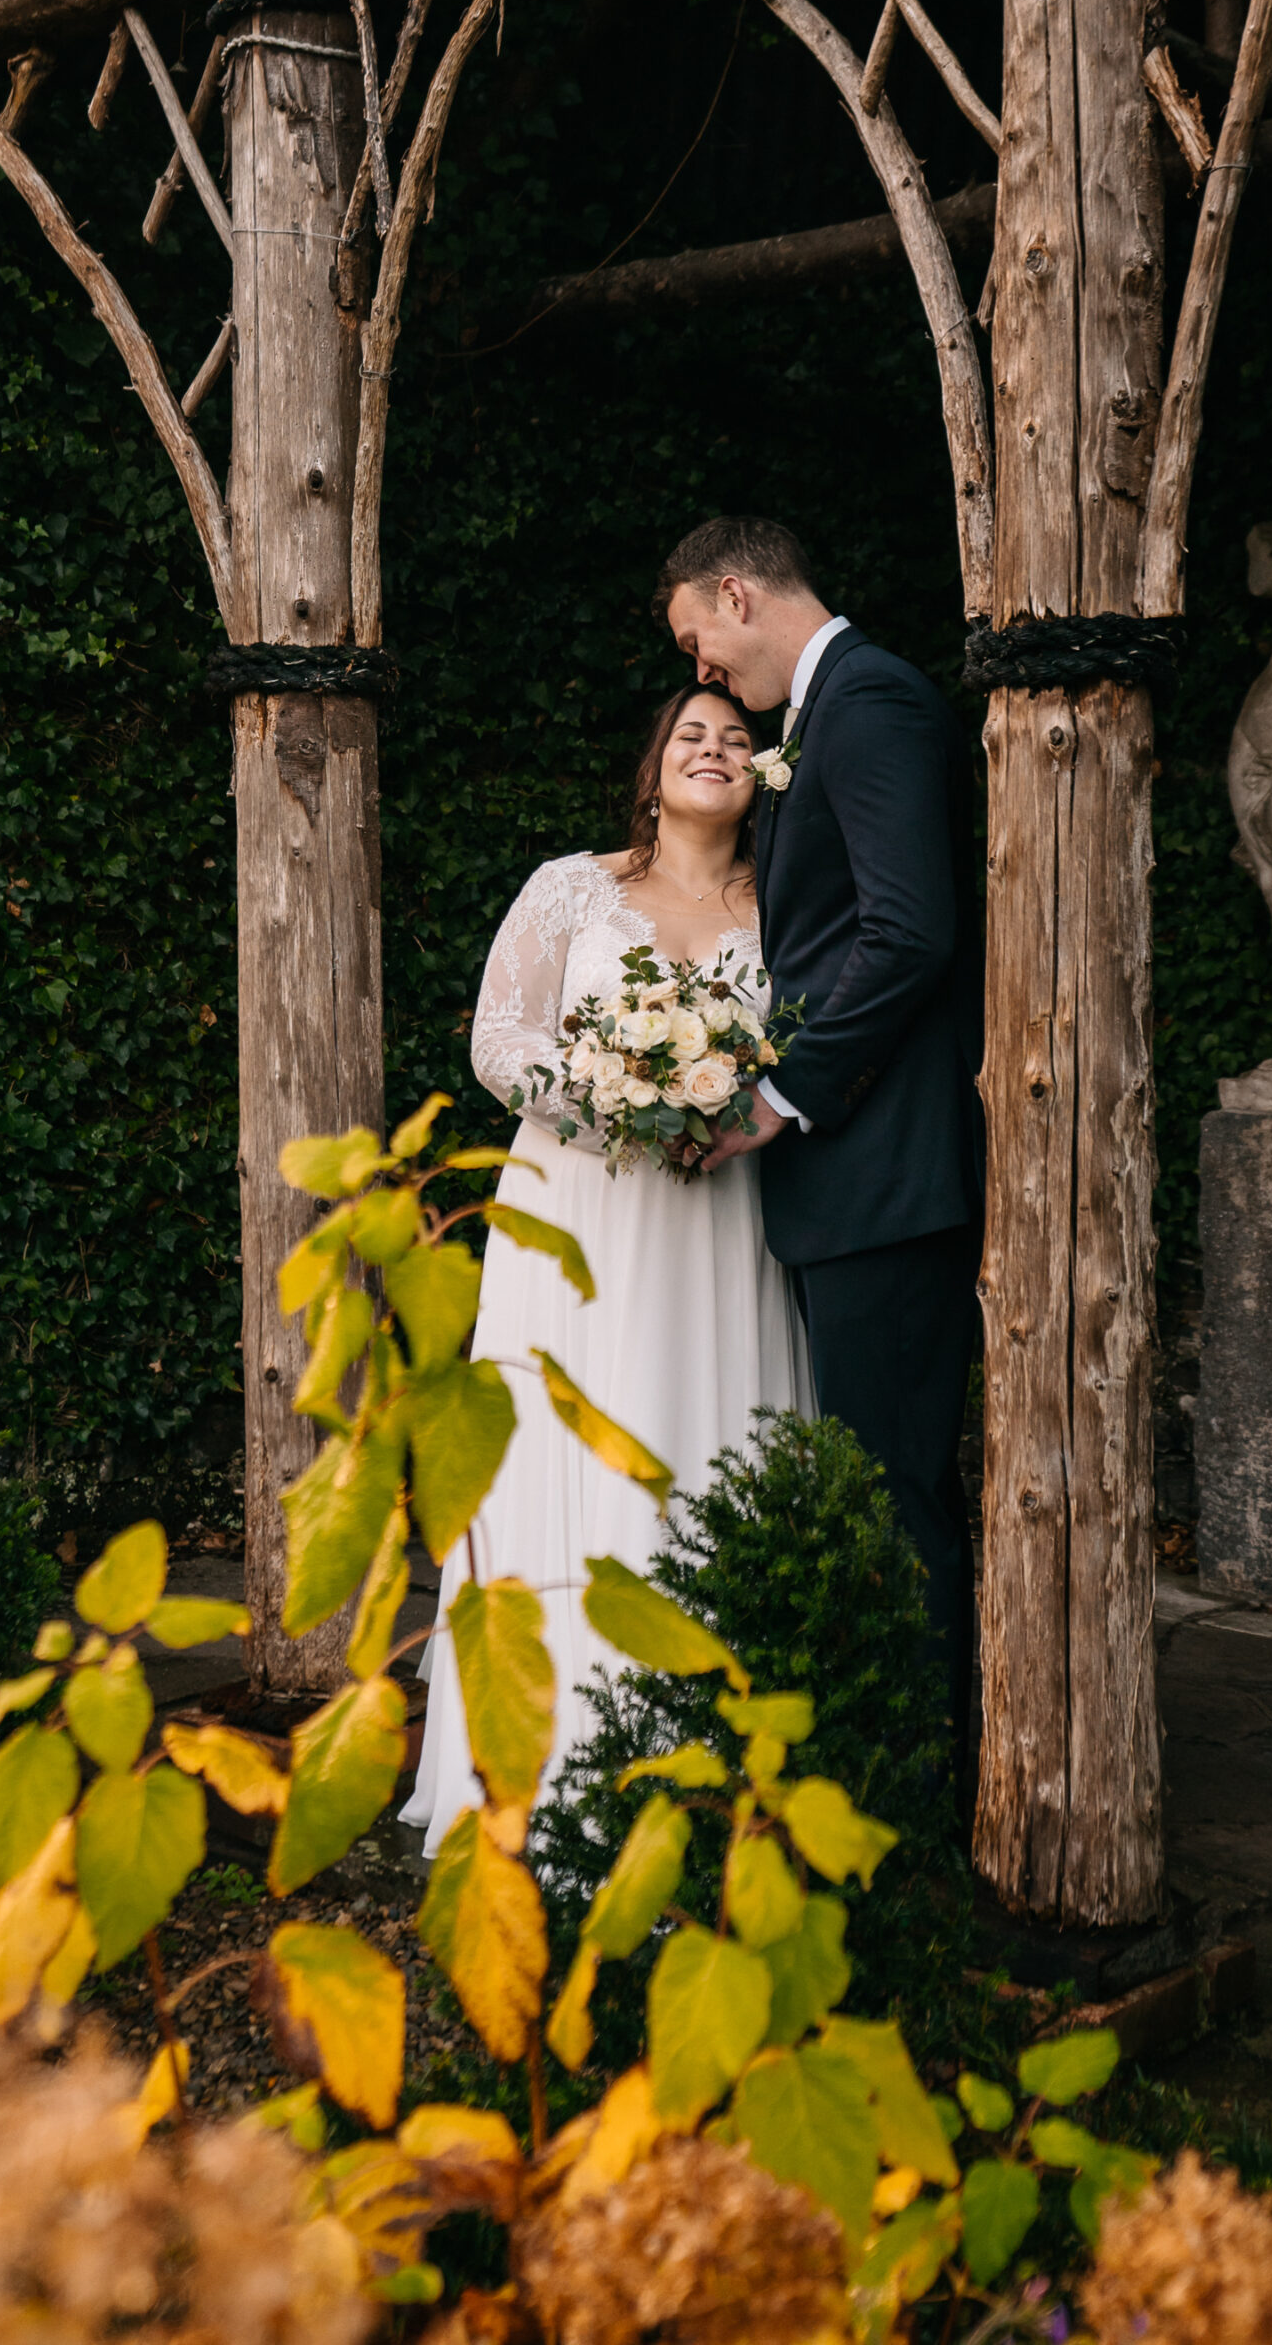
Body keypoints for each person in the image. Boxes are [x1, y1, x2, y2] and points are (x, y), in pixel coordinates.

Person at [399, 681, 815, 1857]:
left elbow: (801, 1046)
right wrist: (612, 1098)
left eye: (739, 739)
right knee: (563, 1444)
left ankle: (708, 1759)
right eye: (692, 733)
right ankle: (561, 1759)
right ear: (654, 768)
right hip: (577, 1210)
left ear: (763, 776)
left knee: (710, 1434)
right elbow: (498, 1038)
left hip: (717, 1213)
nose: (715, 748)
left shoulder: (781, 905)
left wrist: (721, 1101)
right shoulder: (572, 888)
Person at [660, 517, 983, 1780]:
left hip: (888, 1180)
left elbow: (908, 934)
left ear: (737, 594)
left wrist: (781, 1093)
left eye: (701, 642)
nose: (706, 676)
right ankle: (885, 1770)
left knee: (898, 1497)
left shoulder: (874, 703)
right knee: (869, 1491)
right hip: (855, 1189)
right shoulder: (829, 716)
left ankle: (918, 1796)